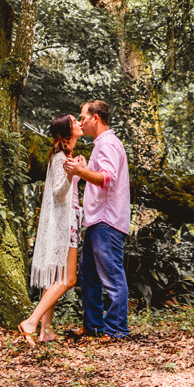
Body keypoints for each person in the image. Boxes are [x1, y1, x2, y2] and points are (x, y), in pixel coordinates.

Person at [63, 99, 131, 340]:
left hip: (107, 220)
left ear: (95, 118)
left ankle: (116, 330)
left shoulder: (109, 143)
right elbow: (98, 176)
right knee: (89, 274)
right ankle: (93, 326)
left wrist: (80, 171)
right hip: (95, 220)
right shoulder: (100, 145)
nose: (80, 122)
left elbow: (107, 178)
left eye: (83, 117)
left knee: (111, 274)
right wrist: (84, 167)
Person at [17, 113, 82, 345]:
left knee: (55, 278)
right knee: (69, 278)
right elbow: (57, 193)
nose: (79, 124)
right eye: (75, 122)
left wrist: (77, 170)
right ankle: (31, 322)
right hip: (65, 224)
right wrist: (73, 174)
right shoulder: (59, 158)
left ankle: (46, 332)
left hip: (69, 220)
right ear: (65, 131)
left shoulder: (66, 155)